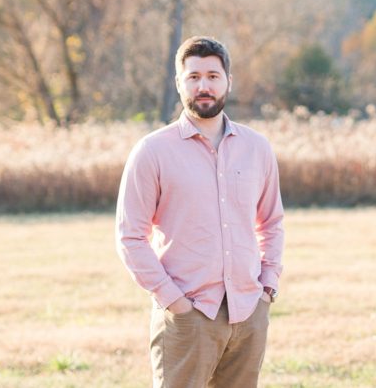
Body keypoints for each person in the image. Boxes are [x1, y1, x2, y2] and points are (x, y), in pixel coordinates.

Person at [115, 35, 284, 388]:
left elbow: (271, 222)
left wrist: (267, 288)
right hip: (187, 315)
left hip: (248, 312)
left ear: (228, 82)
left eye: (212, 76)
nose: (203, 86)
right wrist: (173, 301)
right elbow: (130, 237)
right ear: (179, 83)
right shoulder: (152, 152)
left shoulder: (257, 148)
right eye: (193, 77)